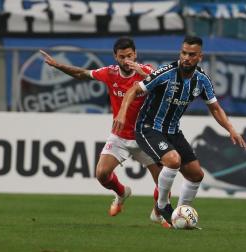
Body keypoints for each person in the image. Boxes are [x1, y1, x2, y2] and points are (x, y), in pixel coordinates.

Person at [113, 36, 246, 225]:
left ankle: (179, 214)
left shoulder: (202, 80)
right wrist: (121, 113)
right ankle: (161, 207)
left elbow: (215, 108)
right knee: (173, 160)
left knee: (196, 175)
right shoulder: (166, 73)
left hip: (173, 131)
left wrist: (231, 130)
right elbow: (134, 90)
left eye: (191, 54)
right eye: (183, 53)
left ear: (200, 57)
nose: (186, 57)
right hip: (148, 127)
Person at [40, 37, 166, 224]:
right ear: (115, 56)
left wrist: (146, 75)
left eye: (130, 56)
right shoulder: (110, 73)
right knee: (101, 174)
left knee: (164, 181)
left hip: (145, 136)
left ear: (135, 54)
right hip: (120, 136)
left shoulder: (147, 71)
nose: (126, 61)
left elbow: (166, 87)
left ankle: (159, 211)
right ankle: (122, 193)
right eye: (122, 57)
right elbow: (82, 74)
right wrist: (57, 65)